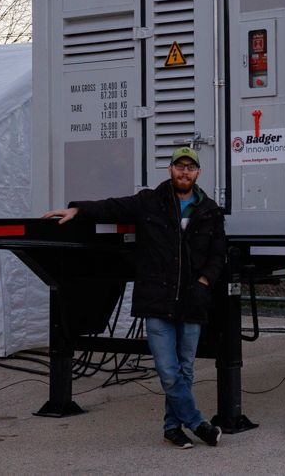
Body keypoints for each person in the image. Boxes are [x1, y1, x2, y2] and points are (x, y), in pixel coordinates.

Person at [42, 146, 225, 450]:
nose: (184, 172)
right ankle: (197, 423)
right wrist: (77, 209)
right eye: (179, 166)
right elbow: (112, 206)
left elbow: (218, 254)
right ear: (170, 170)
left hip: (193, 301)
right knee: (168, 370)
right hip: (157, 300)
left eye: (190, 168)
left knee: (185, 369)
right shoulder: (150, 202)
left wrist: (205, 281)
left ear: (198, 173)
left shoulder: (209, 211)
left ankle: (172, 427)